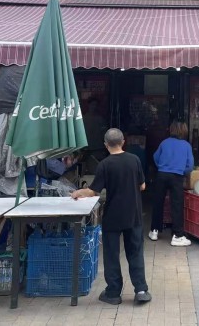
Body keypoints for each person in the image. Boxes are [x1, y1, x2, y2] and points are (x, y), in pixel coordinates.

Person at [71, 128, 151, 305]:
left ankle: (113, 293)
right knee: (135, 252)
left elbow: (94, 191)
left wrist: (78, 193)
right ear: (123, 142)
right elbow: (143, 186)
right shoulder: (134, 160)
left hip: (113, 215)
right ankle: (141, 290)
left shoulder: (104, 165)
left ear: (106, 145)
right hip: (133, 214)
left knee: (111, 254)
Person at [148, 120, 194, 247]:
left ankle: (154, 231)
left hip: (161, 175)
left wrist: (162, 167)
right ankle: (177, 236)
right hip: (177, 176)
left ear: (171, 129)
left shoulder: (164, 142)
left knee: (158, 202)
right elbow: (190, 166)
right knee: (177, 205)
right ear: (184, 131)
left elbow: (155, 157)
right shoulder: (186, 145)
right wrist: (182, 171)